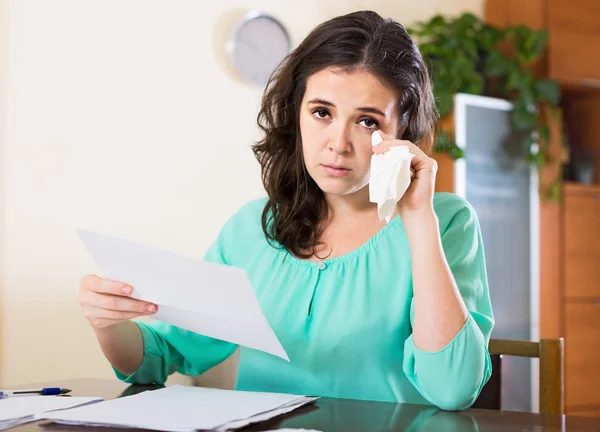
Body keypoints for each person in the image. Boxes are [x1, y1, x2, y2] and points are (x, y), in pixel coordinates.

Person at [78, 10, 494, 411]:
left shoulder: (446, 222)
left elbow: (452, 389)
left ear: (402, 128)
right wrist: (108, 322)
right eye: (321, 112)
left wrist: (418, 218)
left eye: (367, 121)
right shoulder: (251, 228)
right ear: (296, 113)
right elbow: (157, 359)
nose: (338, 143)